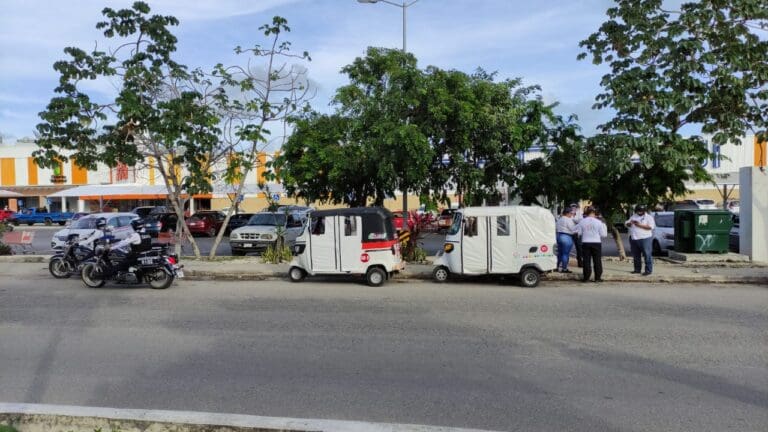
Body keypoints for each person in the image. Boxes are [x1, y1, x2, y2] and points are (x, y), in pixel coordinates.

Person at [574, 206, 608, 282]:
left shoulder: (582, 221)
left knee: (586, 260)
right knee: (597, 260)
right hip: (596, 242)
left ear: (586, 213)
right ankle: (597, 278)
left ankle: (586, 278)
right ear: (594, 213)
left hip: (585, 242)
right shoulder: (599, 222)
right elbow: (603, 235)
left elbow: (579, 233)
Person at [626, 204, 656, 275]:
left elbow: (650, 227)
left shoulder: (649, 217)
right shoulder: (634, 216)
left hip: (645, 239)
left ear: (644, 211)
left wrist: (639, 225)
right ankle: (637, 270)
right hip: (634, 238)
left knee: (647, 254)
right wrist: (629, 223)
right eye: (637, 211)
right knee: (636, 255)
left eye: (640, 211)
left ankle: (648, 271)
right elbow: (626, 223)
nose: (639, 212)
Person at [555, 208, 576, 273]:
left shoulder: (559, 219)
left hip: (559, 236)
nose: (572, 215)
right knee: (565, 254)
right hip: (567, 236)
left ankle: (556, 267)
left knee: (559, 253)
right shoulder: (568, 220)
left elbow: (556, 228)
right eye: (571, 213)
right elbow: (573, 229)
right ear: (567, 213)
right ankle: (564, 268)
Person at [570, 203, 584, 267]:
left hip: (577, 234)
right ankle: (564, 265)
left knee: (579, 249)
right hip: (569, 234)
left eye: (575, 207)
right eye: (572, 207)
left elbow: (580, 221)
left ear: (577, 208)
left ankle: (580, 263)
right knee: (568, 248)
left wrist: (573, 218)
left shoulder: (579, 214)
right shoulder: (568, 213)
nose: (573, 208)